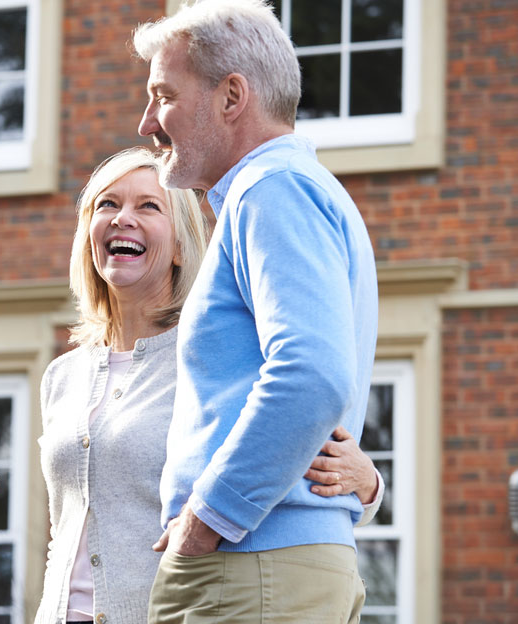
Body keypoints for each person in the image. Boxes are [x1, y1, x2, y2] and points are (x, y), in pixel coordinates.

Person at [34, 147, 383, 624]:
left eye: (148, 206)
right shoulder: (62, 376)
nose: (122, 219)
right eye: (107, 205)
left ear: (180, 246)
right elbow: (63, 527)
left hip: (172, 611)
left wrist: (368, 484)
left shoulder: (211, 360)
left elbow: (287, 429)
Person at [133, 1, 379, 622]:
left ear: (231, 96)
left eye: (163, 95)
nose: (146, 123)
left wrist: (206, 519)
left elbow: (311, 375)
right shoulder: (289, 188)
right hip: (271, 566)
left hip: (249, 566)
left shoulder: (272, 189)